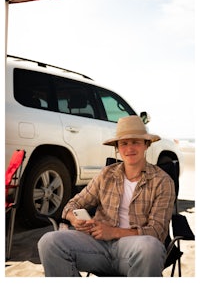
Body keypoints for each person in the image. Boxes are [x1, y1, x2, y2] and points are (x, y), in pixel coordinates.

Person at [38, 115, 175, 277]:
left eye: (136, 142)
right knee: (49, 242)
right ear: (117, 147)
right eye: (124, 143)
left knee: (151, 247)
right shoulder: (106, 175)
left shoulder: (162, 181)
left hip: (134, 251)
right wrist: (75, 219)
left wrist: (112, 232)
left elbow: (156, 232)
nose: (129, 148)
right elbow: (71, 205)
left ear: (146, 145)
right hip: (97, 247)